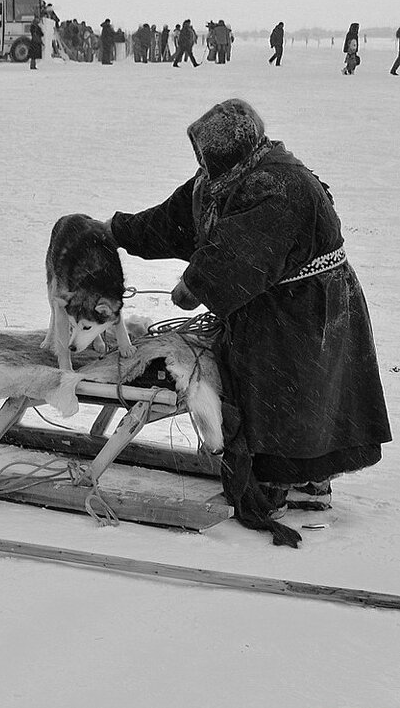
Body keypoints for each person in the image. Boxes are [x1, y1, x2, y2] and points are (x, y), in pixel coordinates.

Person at [108, 98, 391, 547]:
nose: (201, 163)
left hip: (308, 309)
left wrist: (194, 286)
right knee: (285, 392)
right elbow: (171, 222)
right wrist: (116, 231)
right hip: (272, 304)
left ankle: (291, 482)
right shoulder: (222, 180)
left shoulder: (279, 183)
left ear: (228, 150)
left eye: (205, 154)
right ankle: (294, 474)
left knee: (293, 393)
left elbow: (240, 254)